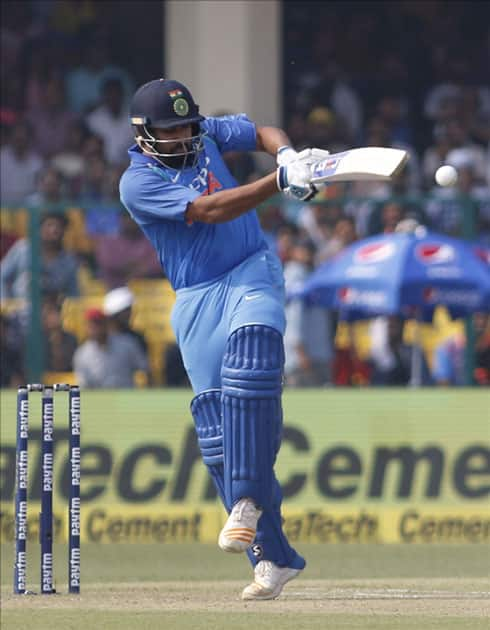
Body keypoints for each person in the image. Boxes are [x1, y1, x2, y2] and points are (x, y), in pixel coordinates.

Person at [119, 78, 328, 600]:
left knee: (252, 368)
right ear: (145, 135)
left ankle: (246, 503)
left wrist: (288, 153)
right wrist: (280, 181)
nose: (187, 135)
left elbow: (260, 131)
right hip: (196, 296)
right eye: (172, 130)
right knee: (216, 433)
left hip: (252, 268)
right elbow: (209, 210)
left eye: (190, 124)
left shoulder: (204, 132)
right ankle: (274, 558)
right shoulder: (137, 182)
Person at [73, 307, 148, 388]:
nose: (95, 328)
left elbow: (145, 369)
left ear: (106, 324)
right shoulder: (82, 354)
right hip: (98, 398)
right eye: (91, 325)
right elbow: (84, 386)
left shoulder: (127, 344)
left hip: (127, 395)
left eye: (98, 323)